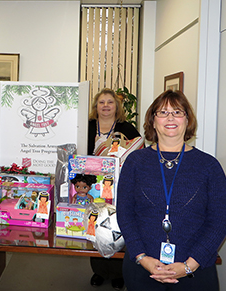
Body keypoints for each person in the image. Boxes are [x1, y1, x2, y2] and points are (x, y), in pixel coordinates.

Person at [116, 90, 226, 291]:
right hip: (142, 269)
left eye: (178, 112)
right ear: (153, 121)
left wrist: (189, 265)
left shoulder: (209, 166)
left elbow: (218, 220)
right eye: (162, 112)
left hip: (196, 272)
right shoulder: (135, 162)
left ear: (187, 120)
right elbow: (125, 214)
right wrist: (143, 258)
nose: (170, 117)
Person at [87, 88, 141, 290]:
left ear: (117, 107)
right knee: (96, 223)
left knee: (117, 225)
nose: (106, 106)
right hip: (93, 185)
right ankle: (98, 271)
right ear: (96, 106)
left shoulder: (127, 127)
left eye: (110, 102)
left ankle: (119, 273)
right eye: (102, 102)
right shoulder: (88, 126)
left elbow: (138, 154)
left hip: (120, 186)